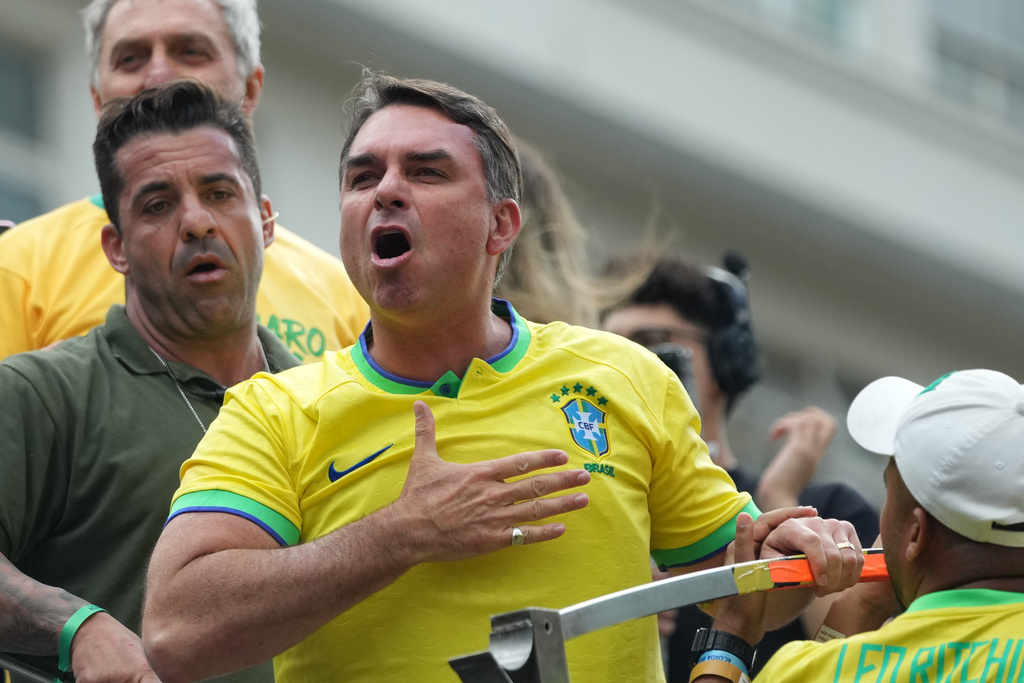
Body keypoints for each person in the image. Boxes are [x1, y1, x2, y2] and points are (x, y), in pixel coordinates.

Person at [141, 72, 864, 683]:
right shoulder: (273, 408)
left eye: (425, 171)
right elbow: (176, 629)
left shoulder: (623, 374)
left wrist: (796, 550)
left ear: (501, 226)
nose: (386, 191)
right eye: (364, 177)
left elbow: (736, 581)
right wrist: (400, 534)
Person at [0, 81, 294, 682]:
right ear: (117, 247)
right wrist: (76, 626)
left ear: (265, 220)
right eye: (158, 205)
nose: (195, 222)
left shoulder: (332, 401)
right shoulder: (43, 394)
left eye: (219, 193)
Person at [0, 0, 368, 363]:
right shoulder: (17, 267)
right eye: (131, 58)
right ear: (98, 99)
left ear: (250, 89)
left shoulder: (346, 298)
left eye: (190, 51)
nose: (159, 76)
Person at [601, 253, 880, 679]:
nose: (629, 365)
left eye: (652, 342)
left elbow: (854, 655)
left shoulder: (827, 507)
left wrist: (780, 501)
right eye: (610, 349)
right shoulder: (591, 509)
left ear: (726, 360)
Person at [696, 368, 1024, 682]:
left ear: (916, 533)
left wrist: (732, 629)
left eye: (888, 490)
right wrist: (863, 602)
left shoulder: (813, 671)